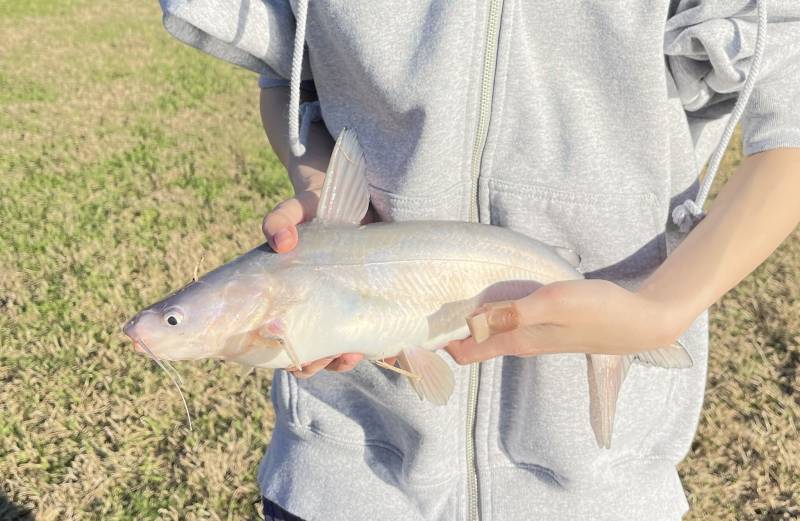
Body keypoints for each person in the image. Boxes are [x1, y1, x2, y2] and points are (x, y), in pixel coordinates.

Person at [159, 1, 800, 519]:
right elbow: (287, 69)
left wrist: (661, 310)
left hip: (598, 490)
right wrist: (323, 186)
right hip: (346, 471)